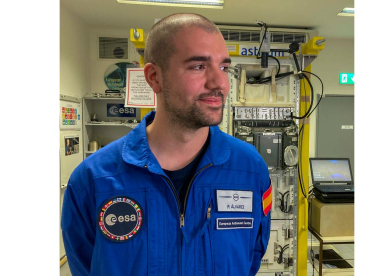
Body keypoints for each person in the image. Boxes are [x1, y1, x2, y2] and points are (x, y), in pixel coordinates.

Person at [61, 13, 271, 276]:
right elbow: (86, 266)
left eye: (224, 68)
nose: (220, 83)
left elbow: (251, 257)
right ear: (154, 77)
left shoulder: (251, 170)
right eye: (198, 66)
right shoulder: (93, 179)